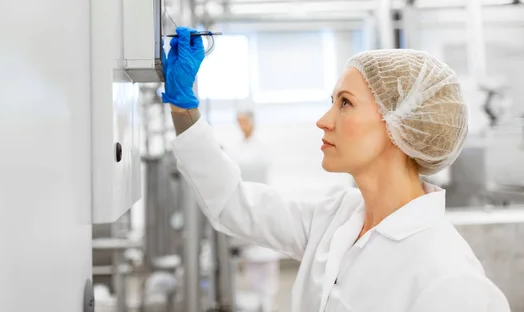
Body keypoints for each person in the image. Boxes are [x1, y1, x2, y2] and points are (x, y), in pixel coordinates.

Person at [161, 27, 510, 312]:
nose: (323, 121)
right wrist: (183, 106)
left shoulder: (452, 282)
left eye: (345, 103)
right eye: (332, 102)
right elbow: (234, 205)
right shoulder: (336, 217)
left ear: (399, 122)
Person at [227, 109, 280, 312]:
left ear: (252, 122)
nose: (242, 125)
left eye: (244, 121)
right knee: (251, 264)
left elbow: (262, 173)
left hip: (262, 204)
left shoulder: (263, 145)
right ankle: (258, 302)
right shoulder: (236, 148)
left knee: (266, 268)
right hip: (245, 205)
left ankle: (267, 304)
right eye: (238, 122)